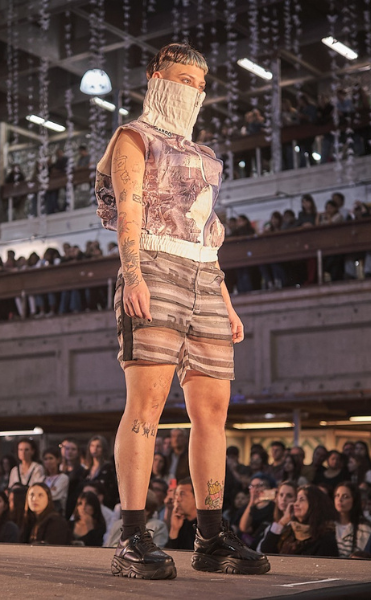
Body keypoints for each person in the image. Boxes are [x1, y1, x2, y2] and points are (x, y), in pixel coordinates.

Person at [96, 42, 268, 579]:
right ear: (156, 76)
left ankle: (211, 538)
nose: (191, 88)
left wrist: (226, 300)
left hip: (205, 279)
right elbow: (127, 206)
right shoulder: (132, 136)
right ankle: (131, 537)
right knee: (146, 406)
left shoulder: (204, 154)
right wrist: (134, 273)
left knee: (213, 411)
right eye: (181, 77)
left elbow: (206, 235)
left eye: (199, 81)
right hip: (154, 267)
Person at [260, 485, 339, 557]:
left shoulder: (326, 537)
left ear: (314, 504)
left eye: (301, 499)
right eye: (296, 500)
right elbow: (266, 550)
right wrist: (282, 522)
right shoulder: (290, 531)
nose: (296, 504)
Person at [255, 481, 297, 553]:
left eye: (289, 496)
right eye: (281, 495)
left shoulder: (297, 526)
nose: (283, 499)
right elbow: (261, 550)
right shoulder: (272, 526)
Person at [333, 482, 371, 558]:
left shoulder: (364, 527)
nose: (340, 500)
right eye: (337, 496)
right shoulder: (328, 525)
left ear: (354, 500)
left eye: (345, 496)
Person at [85, 435, 118, 509]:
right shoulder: (87, 469)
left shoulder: (109, 467)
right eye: (92, 446)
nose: (94, 449)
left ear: (103, 448)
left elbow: (111, 489)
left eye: (98, 446)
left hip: (105, 505)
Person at [166, 478, 198, 550]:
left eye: (182, 494)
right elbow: (171, 555)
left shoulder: (210, 526)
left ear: (197, 498)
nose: (178, 499)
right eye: (176, 495)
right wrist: (174, 530)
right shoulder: (180, 523)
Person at [42, 447, 69, 516]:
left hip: (57, 514)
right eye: (45, 459)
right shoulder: (42, 478)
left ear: (58, 460)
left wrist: (43, 491)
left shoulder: (63, 478)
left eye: (51, 458)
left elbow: (55, 495)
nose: (48, 461)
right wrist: (49, 490)